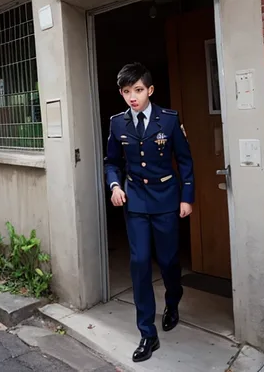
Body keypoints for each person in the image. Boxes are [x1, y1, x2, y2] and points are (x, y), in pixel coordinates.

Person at [103, 62, 194, 362]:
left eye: (138, 90)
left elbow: (184, 160)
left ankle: (173, 300)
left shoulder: (168, 120)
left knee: (168, 260)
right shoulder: (118, 123)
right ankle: (147, 334)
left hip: (166, 198)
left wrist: (186, 197)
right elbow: (111, 162)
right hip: (136, 200)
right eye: (127, 91)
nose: (133, 97)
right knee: (140, 262)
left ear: (150, 90)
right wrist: (115, 185)